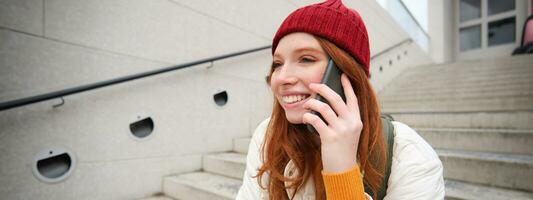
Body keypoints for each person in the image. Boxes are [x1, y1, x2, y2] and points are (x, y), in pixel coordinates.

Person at [236, 0, 445, 199]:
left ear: (345, 73)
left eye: (306, 59)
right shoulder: (267, 134)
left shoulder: (411, 155)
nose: (281, 78)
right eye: (277, 64)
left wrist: (342, 172)